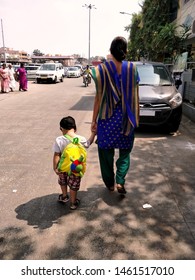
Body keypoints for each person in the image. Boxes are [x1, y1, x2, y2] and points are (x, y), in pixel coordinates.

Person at [91, 36, 140, 194]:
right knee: (125, 152)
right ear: (125, 51)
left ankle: (110, 183)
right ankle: (120, 180)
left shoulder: (101, 70)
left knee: (105, 153)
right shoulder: (132, 68)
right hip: (126, 118)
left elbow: (98, 98)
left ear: (111, 51)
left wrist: (94, 121)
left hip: (107, 119)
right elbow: (133, 92)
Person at [53, 116, 96, 210]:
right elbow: (89, 143)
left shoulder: (59, 140)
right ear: (75, 128)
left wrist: (55, 167)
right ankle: (73, 203)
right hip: (75, 167)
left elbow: (57, 154)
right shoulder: (81, 139)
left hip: (63, 167)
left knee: (63, 181)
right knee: (74, 185)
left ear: (61, 128)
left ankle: (64, 196)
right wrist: (93, 133)